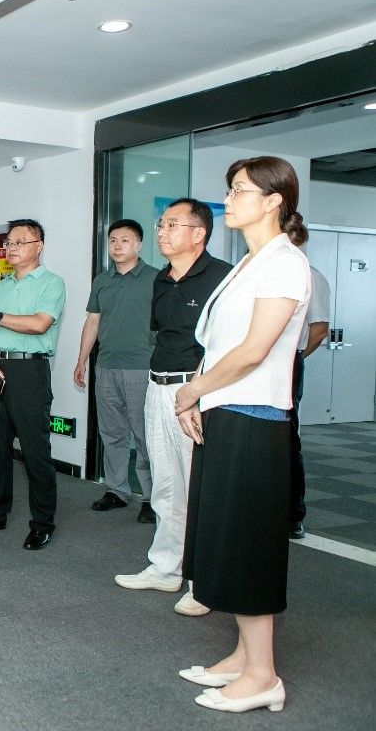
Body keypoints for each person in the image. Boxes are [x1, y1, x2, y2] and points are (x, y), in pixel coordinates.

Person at [174, 156, 310, 714]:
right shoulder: (252, 261)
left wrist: (192, 390)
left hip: (255, 420)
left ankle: (263, 676)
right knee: (226, 539)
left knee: (248, 544)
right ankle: (244, 657)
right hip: (227, 410)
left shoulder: (285, 263)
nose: (228, 200)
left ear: (273, 201)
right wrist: (201, 394)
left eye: (239, 191)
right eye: (230, 190)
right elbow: (221, 344)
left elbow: (254, 350)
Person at [114, 199, 232, 615]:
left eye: (171, 225)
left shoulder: (223, 278)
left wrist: (196, 392)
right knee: (165, 484)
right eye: (160, 225)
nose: (161, 232)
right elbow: (162, 335)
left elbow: (224, 346)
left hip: (196, 392)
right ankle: (166, 568)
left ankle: (203, 584)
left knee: (198, 487)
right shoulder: (162, 280)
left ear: (198, 233)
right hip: (158, 386)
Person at [0, 219, 66, 550]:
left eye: (21, 241)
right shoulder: (1, 286)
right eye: (9, 242)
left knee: (35, 451)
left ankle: (42, 523)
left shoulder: (52, 283)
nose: (12, 247)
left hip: (29, 371)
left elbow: (39, 324)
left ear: (39, 246)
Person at [73, 219, 158, 523]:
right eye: (112, 240)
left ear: (139, 245)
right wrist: (82, 360)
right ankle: (116, 490)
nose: (117, 246)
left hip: (142, 368)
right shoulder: (102, 280)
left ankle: (151, 498)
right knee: (112, 433)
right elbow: (93, 321)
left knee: (145, 436)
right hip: (106, 366)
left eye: (125, 240)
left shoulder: (156, 279)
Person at [288, 263, 330, 539]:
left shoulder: (310, 275)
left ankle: (293, 514)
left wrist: (295, 359)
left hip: (288, 360)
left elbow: (319, 329)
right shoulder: (246, 270)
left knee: (286, 439)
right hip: (251, 363)